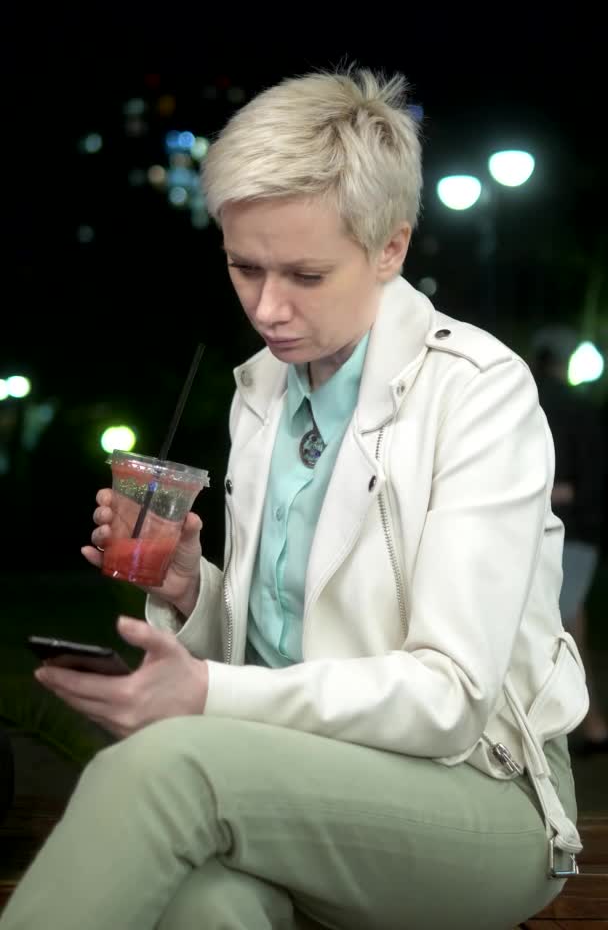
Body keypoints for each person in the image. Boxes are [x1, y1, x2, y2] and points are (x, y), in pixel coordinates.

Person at [1, 69, 589, 930]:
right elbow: (273, 654)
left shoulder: (479, 392)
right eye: (245, 267)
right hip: (293, 781)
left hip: (480, 800)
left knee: (167, 768)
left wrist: (203, 697)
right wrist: (192, 592)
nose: (268, 309)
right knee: (207, 907)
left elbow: (449, 696)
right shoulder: (264, 393)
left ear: (390, 248)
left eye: (306, 274)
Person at [532, 327, 608, 754]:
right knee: (564, 624)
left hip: (565, 534)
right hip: (573, 534)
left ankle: (578, 723)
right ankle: (588, 724)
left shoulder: (537, 402)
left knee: (559, 625)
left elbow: (585, 484)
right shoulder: (578, 408)